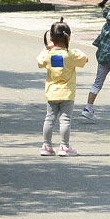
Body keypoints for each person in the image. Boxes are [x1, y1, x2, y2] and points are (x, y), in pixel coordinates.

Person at [37, 20, 88, 157]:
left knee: (49, 119)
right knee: (65, 120)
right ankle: (64, 146)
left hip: (51, 93)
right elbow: (85, 59)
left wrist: (46, 48)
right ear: (68, 38)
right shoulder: (70, 55)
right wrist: (75, 50)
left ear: (51, 38)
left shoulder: (48, 54)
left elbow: (40, 61)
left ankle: (46, 145)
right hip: (67, 93)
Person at [82, 0, 110, 121]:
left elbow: (106, 9)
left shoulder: (108, 15)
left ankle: (88, 107)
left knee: (98, 82)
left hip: (103, 56)